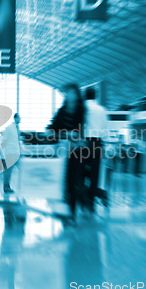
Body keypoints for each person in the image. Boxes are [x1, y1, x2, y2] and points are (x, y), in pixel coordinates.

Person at [47, 84, 85, 222]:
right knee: (66, 181)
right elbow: (53, 126)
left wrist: (61, 133)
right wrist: (53, 130)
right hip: (64, 150)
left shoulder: (81, 109)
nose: (68, 95)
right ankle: (67, 210)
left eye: (70, 93)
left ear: (76, 94)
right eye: (67, 93)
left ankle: (73, 212)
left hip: (77, 151)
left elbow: (78, 132)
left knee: (74, 180)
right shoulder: (62, 110)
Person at [83, 87, 108, 213]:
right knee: (95, 172)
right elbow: (104, 129)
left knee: (81, 170)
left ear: (85, 95)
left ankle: (83, 197)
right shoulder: (102, 110)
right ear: (95, 96)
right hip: (97, 142)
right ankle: (92, 199)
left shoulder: (82, 108)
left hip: (84, 142)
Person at [0, 113, 21, 194]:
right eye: (19, 118)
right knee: (8, 170)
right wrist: (4, 151)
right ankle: (6, 187)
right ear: (15, 118)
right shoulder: (9, 128)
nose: (20, 120)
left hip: (15, 152)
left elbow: (17, 141)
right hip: (10, 153)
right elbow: (4, 141)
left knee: (11, 170)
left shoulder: (17, 129)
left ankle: (7, 186)